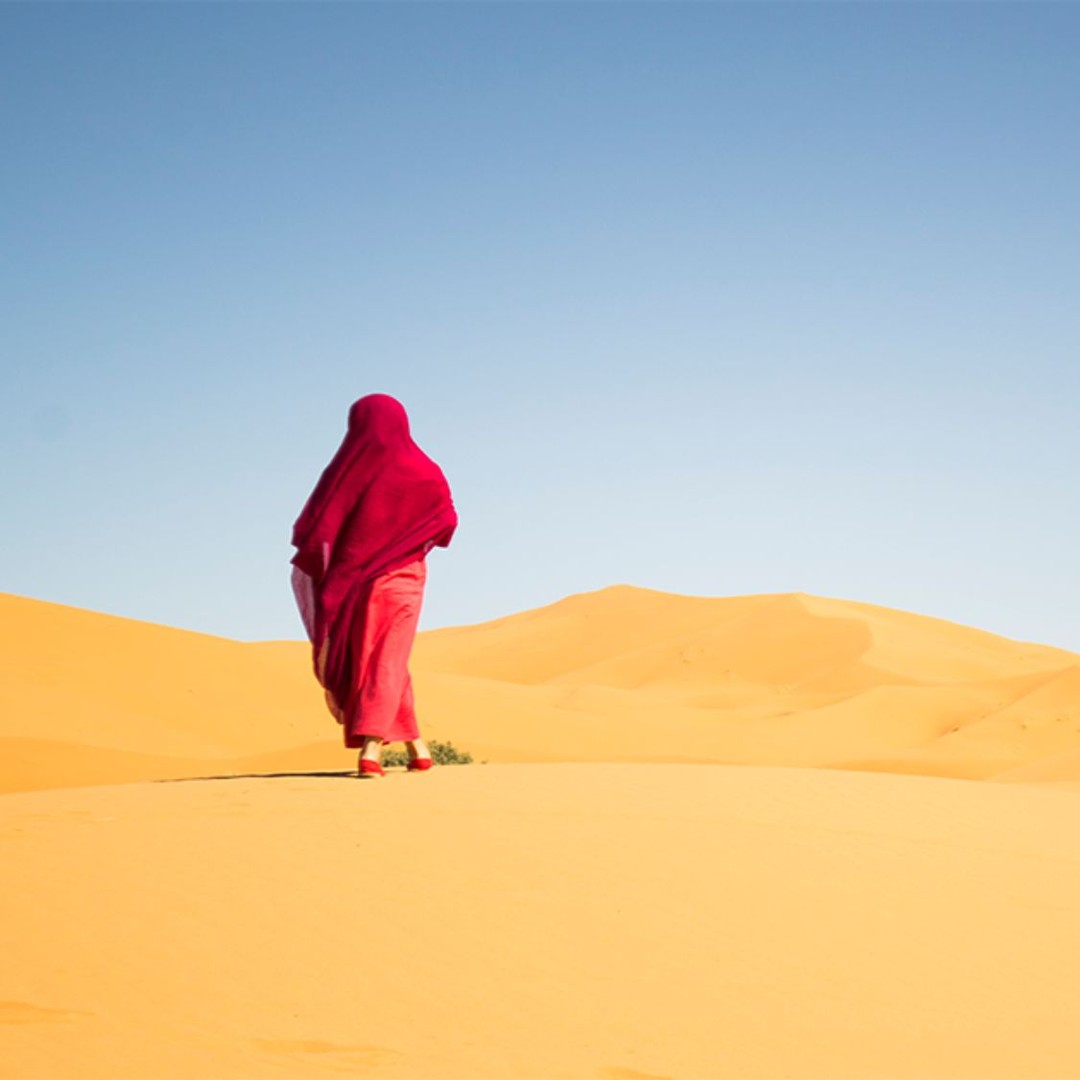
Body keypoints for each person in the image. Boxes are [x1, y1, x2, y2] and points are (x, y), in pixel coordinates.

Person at [290, 394, 457, 778]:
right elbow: (447, 522)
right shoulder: (424, 470)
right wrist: (408, 538)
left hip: (354, 583)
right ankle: (405, 747)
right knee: (387, 657)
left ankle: (373, 745)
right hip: (404, 579)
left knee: (381, 656)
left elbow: (313, 529)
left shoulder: (347, 470)